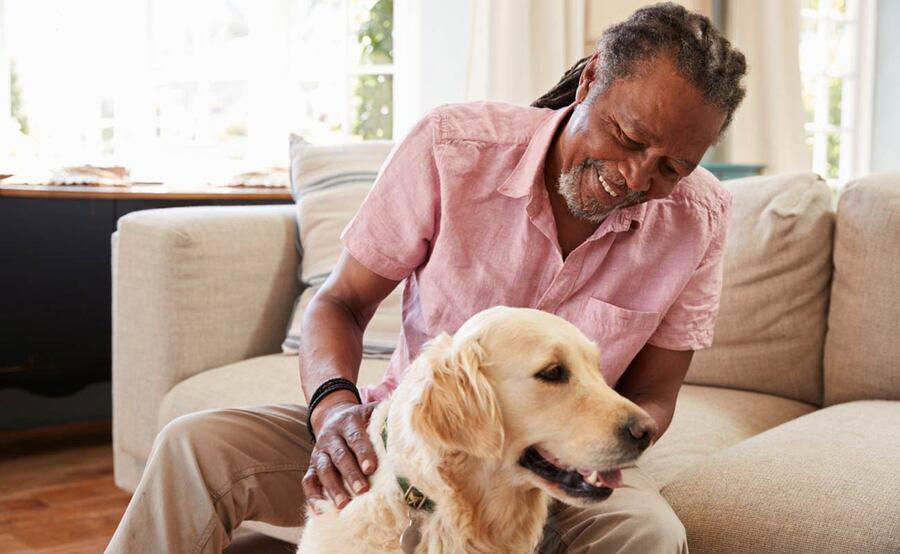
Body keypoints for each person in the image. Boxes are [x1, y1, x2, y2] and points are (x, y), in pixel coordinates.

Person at [107, 3, 747, 553]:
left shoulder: (699, 220)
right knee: (195, 448)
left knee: (648, 533)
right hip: (405, 438)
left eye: (673, 167)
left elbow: (656, 394)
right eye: (628, 137)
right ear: (588, 84)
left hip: (554, 471)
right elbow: (342, 303)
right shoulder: (453, 147)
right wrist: (334, 412)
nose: (638, 178)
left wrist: (578, 456)